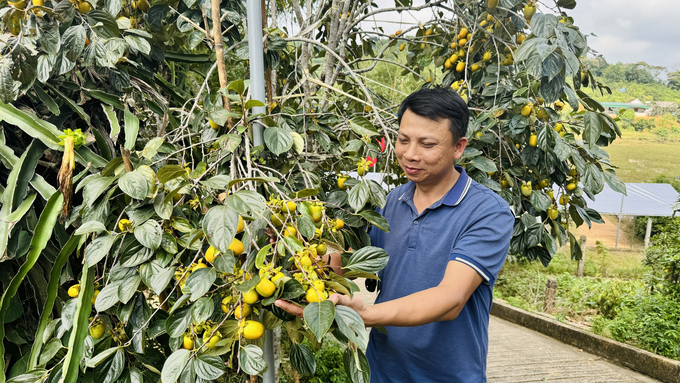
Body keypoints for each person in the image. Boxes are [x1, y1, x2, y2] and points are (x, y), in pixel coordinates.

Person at [276, 88, 514, 382]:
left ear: (458, 147)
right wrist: (300, 253)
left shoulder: (487, 212)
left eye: (427, 144)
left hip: (449, 376)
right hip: (383, 371)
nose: (410, 154)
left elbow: (451, 298)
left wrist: (364, 314)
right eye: (403, 140)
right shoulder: (390, 202)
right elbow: (349, 264)